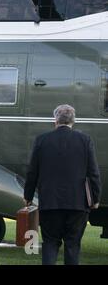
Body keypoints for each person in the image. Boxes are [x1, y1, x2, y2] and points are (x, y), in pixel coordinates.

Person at [24, 104, 102, 265]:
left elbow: (32, 172)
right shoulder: (85, 140)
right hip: (77, 204)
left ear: (55, 120)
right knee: (73, 245)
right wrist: (95, 198)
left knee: (50, 244)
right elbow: (94, 173)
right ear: (73, 121)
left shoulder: (42, 140)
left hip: (50, 203)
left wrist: (28, 196)